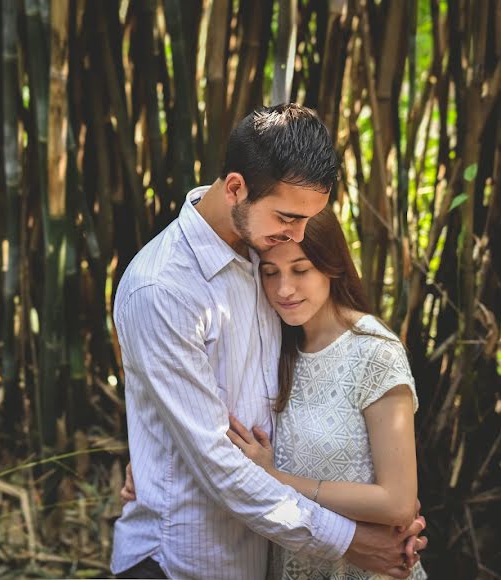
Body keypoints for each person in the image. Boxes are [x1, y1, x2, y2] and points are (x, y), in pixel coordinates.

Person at [111, 103, 426, 580]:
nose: (296, 237)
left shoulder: (264, 254)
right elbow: (216, 463)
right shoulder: (163, 289)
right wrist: (351, 542)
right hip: (182, 560)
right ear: (236, 187)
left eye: (308, 223)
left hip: (262, 559)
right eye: (287, 217)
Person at [225, 207, 428, 579]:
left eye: (300, 270)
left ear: (331, 264)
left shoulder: (374, 352)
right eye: (270, 273)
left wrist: (280, 481)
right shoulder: (271, 347)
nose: (284, 289)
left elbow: (398, 503)